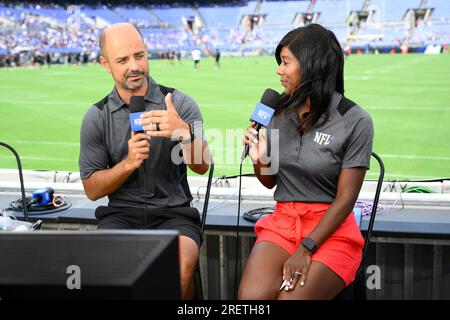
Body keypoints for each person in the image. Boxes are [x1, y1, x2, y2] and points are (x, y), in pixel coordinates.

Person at [239, 24, 373, 300]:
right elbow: (270, 182)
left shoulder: (355, 120)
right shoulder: (277, 112)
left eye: (286, 62)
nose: (279, 70)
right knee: (250, 299)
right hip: (283, 222)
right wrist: (260, 159)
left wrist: (306, 247)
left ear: (312, 65)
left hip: (330, 229)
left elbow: (346, 198)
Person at [79, 23, 210, 299]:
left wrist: (183, 133)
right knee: (105, 275)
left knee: (176, 271)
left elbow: (202, 166)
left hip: (175, 214)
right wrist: (128, 163)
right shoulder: (96, 116)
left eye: (139, 55)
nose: (134, 66)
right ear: (105, 64)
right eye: (123, 60)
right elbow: (92, 189)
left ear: (147, 53)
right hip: (120, 217)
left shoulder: (180, 103)